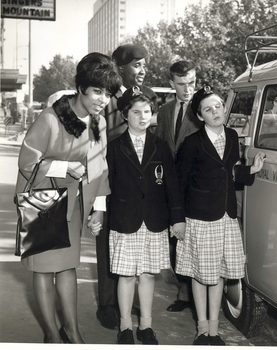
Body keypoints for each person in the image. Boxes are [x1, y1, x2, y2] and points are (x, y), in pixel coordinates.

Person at [15, 52, 121, 343]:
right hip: (41, 203)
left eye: (108, 93)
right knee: (44, 268)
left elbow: (100, 166)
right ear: (81, 86)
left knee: (67, 266)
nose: (103, 99)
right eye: (97, 91)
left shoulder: (98, 123)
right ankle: (51, 332)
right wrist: (65, 166)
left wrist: (98, 207)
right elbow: (27, 162)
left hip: (72, 205)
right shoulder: (50, 118)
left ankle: (72, 331)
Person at [175, 86, 265, 345]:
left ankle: (214, 331)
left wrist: (252, 170)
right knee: (200, 275)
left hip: (225, 216)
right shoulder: (192, 143)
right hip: (200, 217)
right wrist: (177, 219)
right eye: (207, 109)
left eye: (218, 106)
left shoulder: (232, 135)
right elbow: (179, 184)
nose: (215, 112)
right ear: (200, 116)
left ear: (224, 108)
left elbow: (230, 175)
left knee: (219, 274)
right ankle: (201, 330)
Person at [106, 86, 186, 344]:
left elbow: (171, 183)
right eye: (136, 112)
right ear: (125, 115)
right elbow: (106, 183)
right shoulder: (114, 147)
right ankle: (126, 326)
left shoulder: (160, 146)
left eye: (147, 112)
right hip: (125, 219)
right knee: (127, 274)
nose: (143, 117)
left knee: (148, 274)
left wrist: (177, 217)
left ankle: (146, 326)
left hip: (154, 220)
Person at [97, 43, 157, 330]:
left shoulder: (147, 99)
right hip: (110, 187)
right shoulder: (105, 101)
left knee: (138, 250)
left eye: (144, 64)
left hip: (140, 190)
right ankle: (108, 304)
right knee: (109, 247)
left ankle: (131, 301)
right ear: (119, 69)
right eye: (137, 65)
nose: (143, 70)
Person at [155, 60, 203, 312]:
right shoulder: (164, 111)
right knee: (176, 240)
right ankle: (183, 294)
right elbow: (162, 148)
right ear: (171, 84)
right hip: (171, 187)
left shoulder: (203, 108)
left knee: (195, 240)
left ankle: (197, 297)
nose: (188, 89)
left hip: (196, 187)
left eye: (192, 83)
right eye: (182, 84)